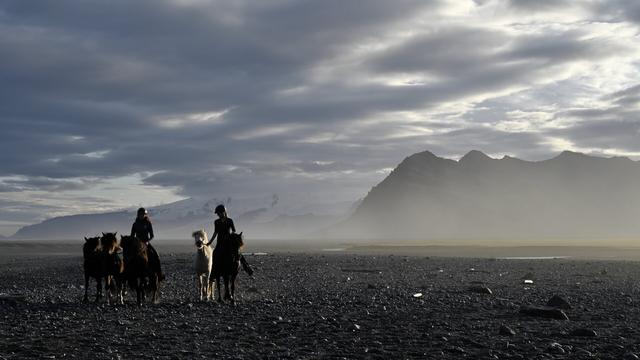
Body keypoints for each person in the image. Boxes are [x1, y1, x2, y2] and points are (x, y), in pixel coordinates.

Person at [131, 207, 165, 281]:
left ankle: (159, 274)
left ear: (145, 215)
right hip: (137, 245)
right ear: (138, 215)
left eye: (143, 214)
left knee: (156, 255)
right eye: (140, 214)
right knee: (128, 257)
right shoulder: (135, 224)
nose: (141, 216)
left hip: (146, 243)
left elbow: (152, 235)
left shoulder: (148, 223)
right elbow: (132, 236)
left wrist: (147, 241)